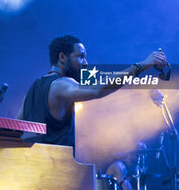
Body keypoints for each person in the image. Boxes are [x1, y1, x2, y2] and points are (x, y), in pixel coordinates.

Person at [16, 35, 167, 146]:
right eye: (80, 57)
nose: (86, 63)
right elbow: (98, 90)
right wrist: (141, 66)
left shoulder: (32, 89)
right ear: (62, 57)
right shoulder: (61, 84)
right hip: (57, 173)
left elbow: (15, 128)